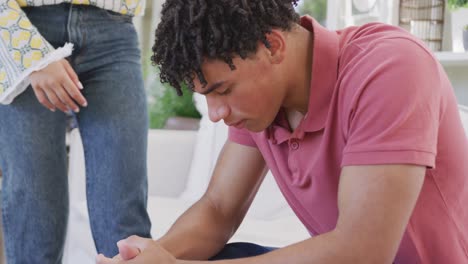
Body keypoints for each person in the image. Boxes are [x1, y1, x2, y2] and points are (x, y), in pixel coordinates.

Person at [98, 0, 468, 263]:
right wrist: (155, 255)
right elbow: (217, 209)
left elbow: (363, 251)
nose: (215, 114)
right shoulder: (264, 107)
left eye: (223, 90)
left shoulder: (389, 66)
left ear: (272, 46)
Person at [0, 1, 152, 263]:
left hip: (114, 31)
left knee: (126, 228)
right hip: (27, 23)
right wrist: (30, 54)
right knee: (34, 217)